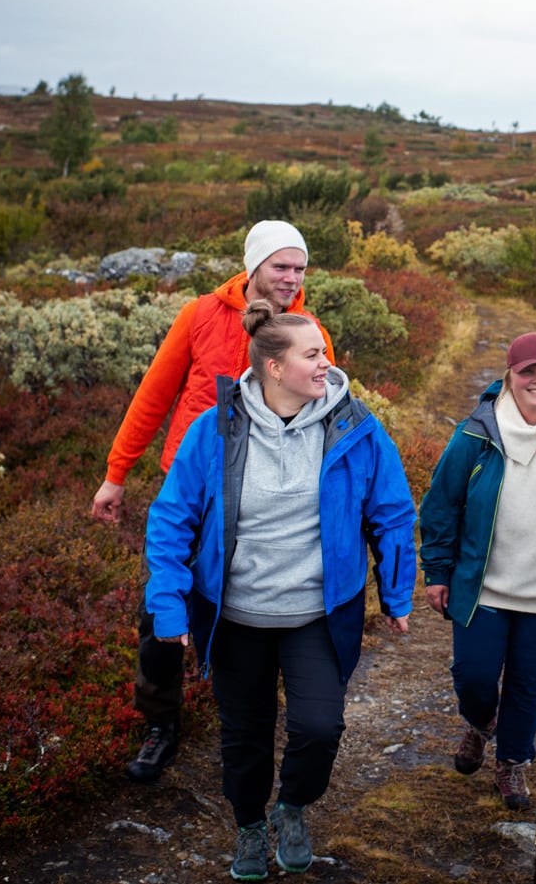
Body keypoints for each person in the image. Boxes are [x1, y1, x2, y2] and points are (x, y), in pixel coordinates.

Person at [142, 302, 416, 881]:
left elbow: (392, 513)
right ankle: (248, 826)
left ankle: (291, 808)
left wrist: (396, 594)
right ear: (273, 366)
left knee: (320, 727)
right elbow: (171, 520)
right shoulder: (215, 427)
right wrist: (168, 603)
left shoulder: (356, 426)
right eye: (312, 354)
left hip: (316, 612)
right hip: (235, 616)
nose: (325, 364)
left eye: (323, 353)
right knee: (245, 736)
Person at [91, 220, 336, 784]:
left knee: (251, 610)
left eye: (299, 268)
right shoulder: (200, 315)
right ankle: (161, 723)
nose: (291, 278)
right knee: (161, 613)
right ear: (253, 267)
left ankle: (248, 711)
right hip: (193, 491)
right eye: (281, 266)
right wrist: (116, 473)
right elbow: (154, 395)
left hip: (265, 502)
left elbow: (326, 411)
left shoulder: (307, 328)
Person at [418, 332, 536, 809]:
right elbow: (441, 506)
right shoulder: (475, 433)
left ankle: (512, 763)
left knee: (528, 685)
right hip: (483, 589)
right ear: (509, 377)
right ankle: (479, 722)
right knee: (474, 677)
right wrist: (437, 570)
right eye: (526, 371)